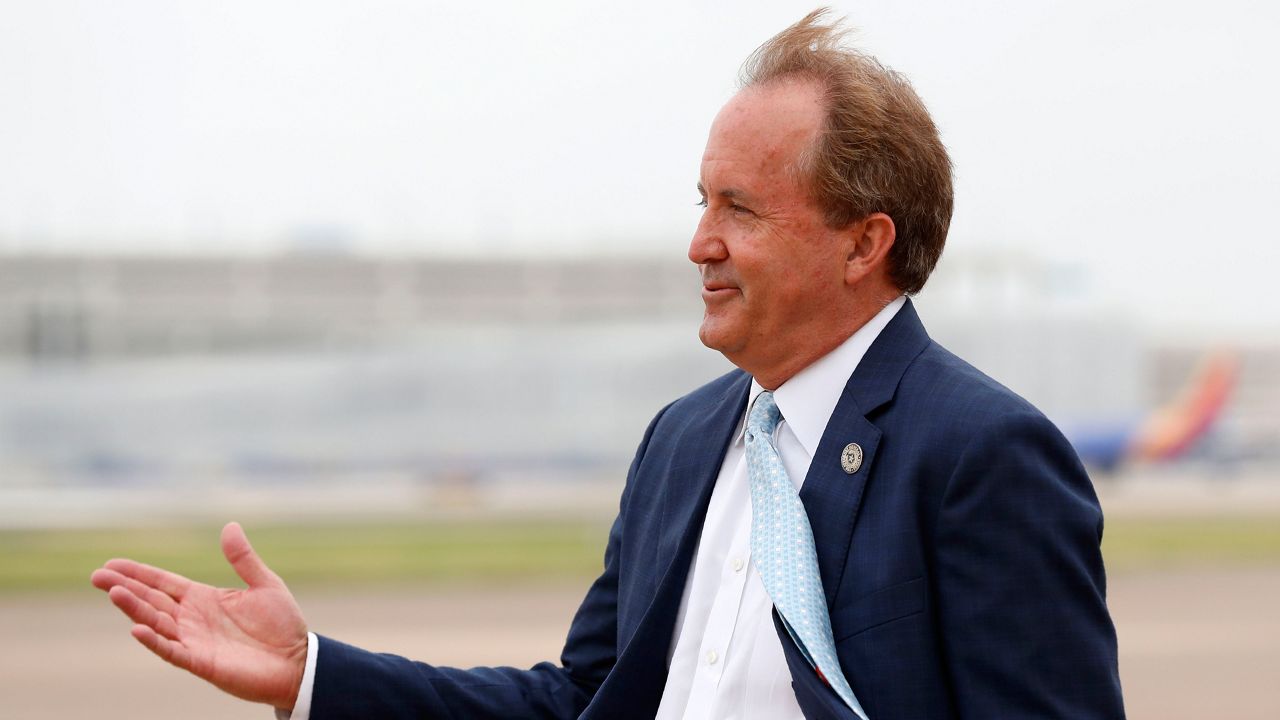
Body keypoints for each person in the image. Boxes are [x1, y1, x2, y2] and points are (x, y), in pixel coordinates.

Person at [92, 9, 1125, 719]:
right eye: (700, 202)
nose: (698, 245)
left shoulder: (981, 454)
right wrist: (311, 674)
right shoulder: (682, 441)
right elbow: (578, 703)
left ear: (863, 243)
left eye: (740, 210)